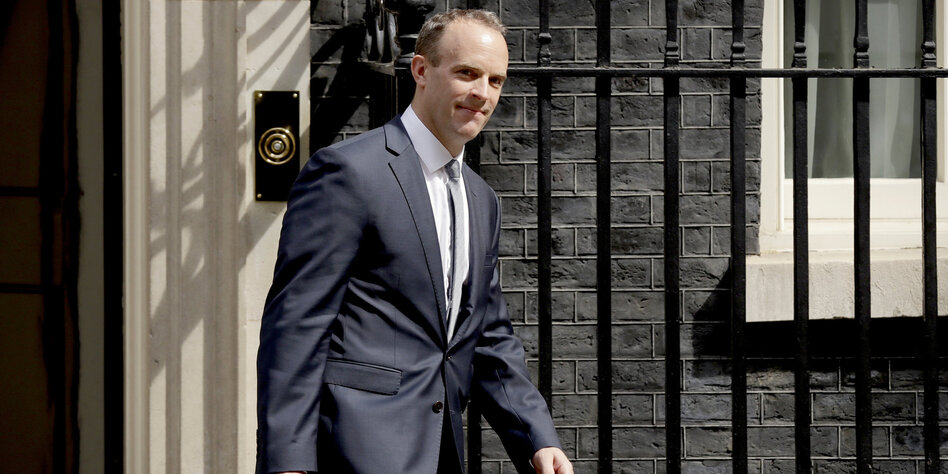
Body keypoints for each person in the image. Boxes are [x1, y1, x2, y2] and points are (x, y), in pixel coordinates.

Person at [256, 9, 573, 474]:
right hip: (353, 449)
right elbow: (297, 325)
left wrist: (537, 437)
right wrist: (288, 461)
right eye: (467, 73)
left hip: (441, 452)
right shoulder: (348, 172)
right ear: (421, 71)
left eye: (495, 81)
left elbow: (487, 333)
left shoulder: (481, 199)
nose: (483, 93)